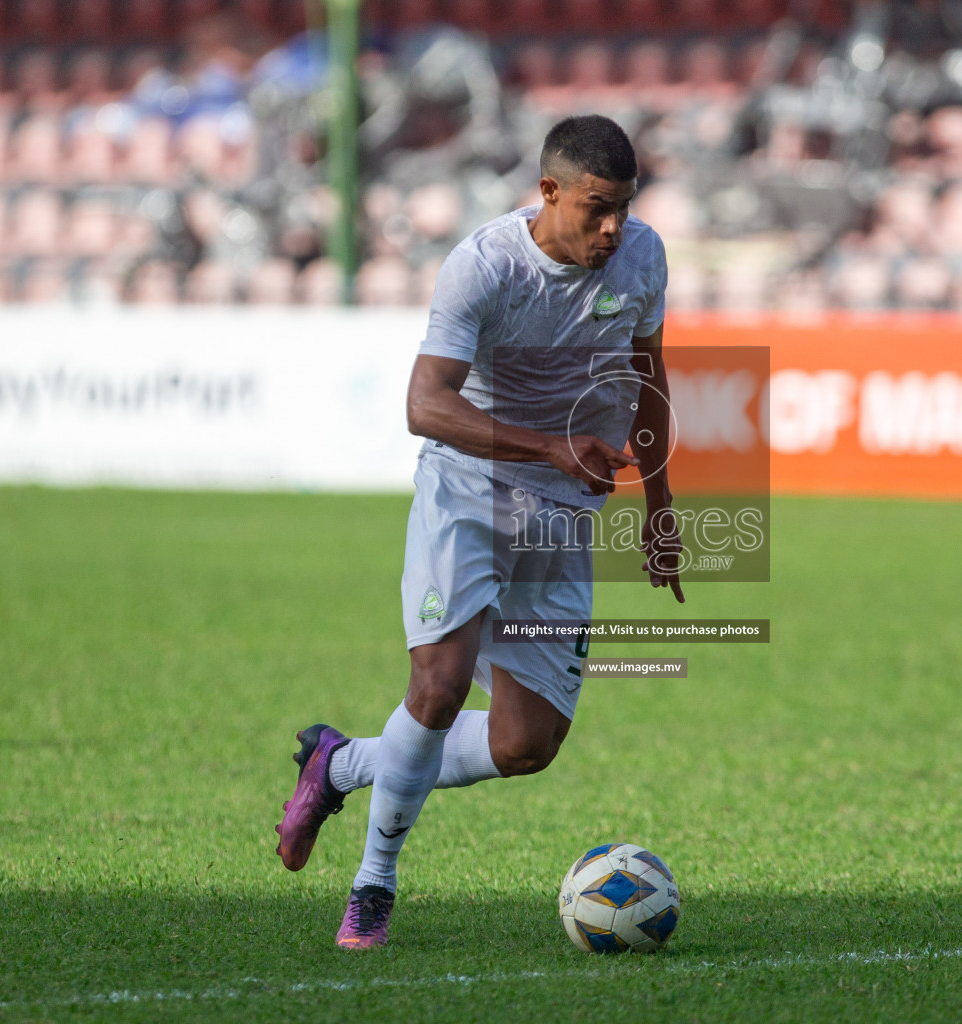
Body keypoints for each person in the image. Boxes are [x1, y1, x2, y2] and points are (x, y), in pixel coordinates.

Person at [273, 114, 685, 947]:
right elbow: (425, 406)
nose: (614, 228)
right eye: (597, 208)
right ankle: (373, 887)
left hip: (565, 511)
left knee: (528, 743)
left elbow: (650, 372)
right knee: (440, 683)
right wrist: (548, 446)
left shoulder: (643, 254)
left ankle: (342, 764)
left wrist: (661, 507)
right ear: (549, 192)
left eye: (625, 208)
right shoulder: (486, 266)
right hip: (472, 489)